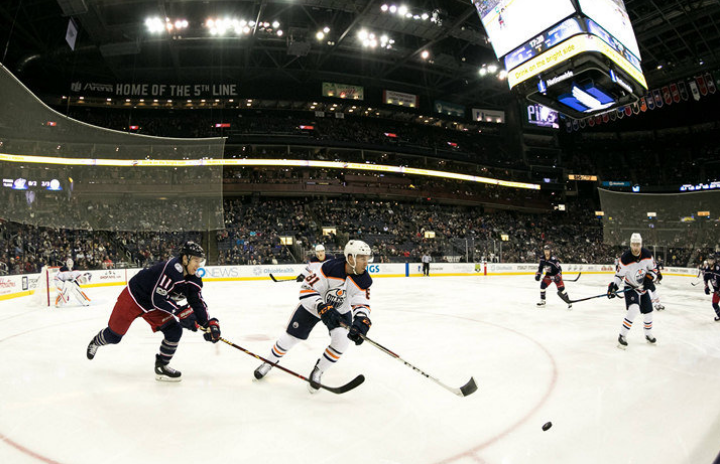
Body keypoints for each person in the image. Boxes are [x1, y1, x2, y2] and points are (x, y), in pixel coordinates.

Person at [85, 241, 221, 381]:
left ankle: (161, 367)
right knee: (114, 336)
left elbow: (197, 302)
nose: (198, 265)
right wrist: (179, 312)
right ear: (185, 258)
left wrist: (208, 323)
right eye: (196, 260)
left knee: (174, 331)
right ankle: (96, 341)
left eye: (200, 261)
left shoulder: (194, 279)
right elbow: (158, 298)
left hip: (153, 306)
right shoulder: (172, 270)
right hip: (134, 298)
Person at [254, 239, 373, 393]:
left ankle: (318, 371)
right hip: (313, 307)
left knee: (342, 341)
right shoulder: (330, 268)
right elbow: (306, 289)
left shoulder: (364, 280)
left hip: (340, 310)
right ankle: (268, 363)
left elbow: (361, 303)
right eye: (362, 258)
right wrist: (321, 306)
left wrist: (361, 320)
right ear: (350, 258)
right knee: (291, 337)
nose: (366, 262)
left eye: (367, 258)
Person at [608, 233, 657, 349]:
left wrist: (650, 278)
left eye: (638, 244)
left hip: (643, 287)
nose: (636, 247)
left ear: (641, 244)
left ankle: (648, 334)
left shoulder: (647, 255)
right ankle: (622, 335)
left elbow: (654, 270)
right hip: (631, 287)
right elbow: (619, 276)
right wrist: (614, 286)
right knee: (633, 309)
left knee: (649, 312)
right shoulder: (625, 258)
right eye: (634, 244)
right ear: (630, 245)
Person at [535, 245, 572, 310]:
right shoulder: (542, 259)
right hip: (548, 275)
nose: (546, 252)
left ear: (550, 251)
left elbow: (559, 269)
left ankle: (569, 302)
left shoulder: (553, 259)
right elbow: (540, 268)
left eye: (547, 250)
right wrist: (538, 275)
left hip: (556, 275)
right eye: (545, 250)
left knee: (561, 289)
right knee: (542, 286)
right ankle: (543, 301)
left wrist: (558, 276)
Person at [702, 253, 720, 322]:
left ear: (714, 261)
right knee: (714, 304)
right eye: (709, 260)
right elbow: (705, 279)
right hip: (716, 289)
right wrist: (706, 287)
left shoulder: (718, 269)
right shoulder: (707, 269)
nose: (710, 262)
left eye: (711, 260)